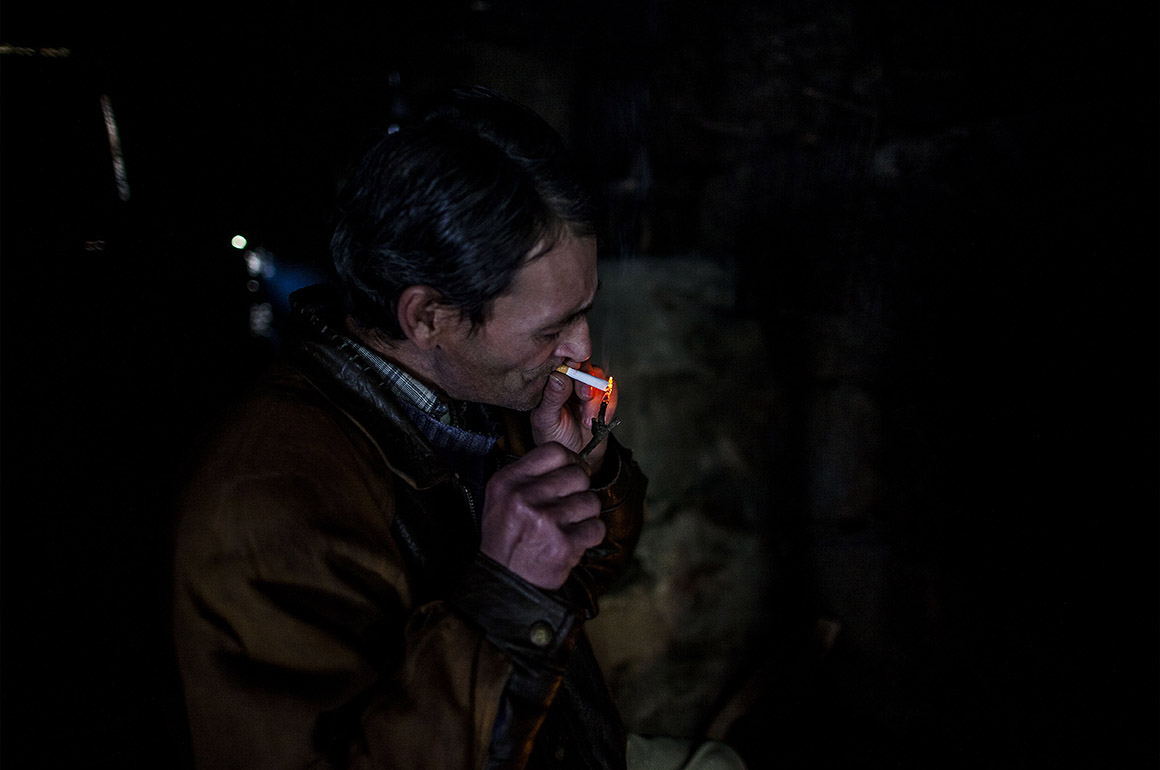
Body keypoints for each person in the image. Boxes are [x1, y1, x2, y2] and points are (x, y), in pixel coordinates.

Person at [172, 86, 744, 770]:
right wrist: (506, 594)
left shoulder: (475, 397)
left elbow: (570, 596)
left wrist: (578, 470)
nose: (580, 349)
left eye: (584, 311)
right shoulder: (267, 504)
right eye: (552, 328)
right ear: (427, 317)